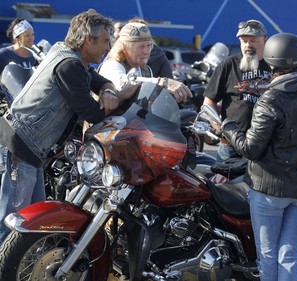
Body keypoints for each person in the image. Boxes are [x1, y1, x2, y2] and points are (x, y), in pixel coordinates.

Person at [0, 9, 139, 244]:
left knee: (35, 221)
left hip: (30, 148)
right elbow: (91, 113)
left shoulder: (72, 57)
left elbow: (100, 81)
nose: (108, 47)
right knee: (14, 225)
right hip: (20, 147)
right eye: (105, 41)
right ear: (88, 40)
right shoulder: (69, 65)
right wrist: (121, 96)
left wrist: (107, 91)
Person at [220, 33, 297, 280]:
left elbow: (251, 148)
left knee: (268, 257)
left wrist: (228, 127)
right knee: (290, 255)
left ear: (270, 62)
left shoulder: (271, 98)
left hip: (270, 189)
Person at [202, 19, 271, 162]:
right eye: (244, 40)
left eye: (253, 40)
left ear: (265, 40)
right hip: (231, 145)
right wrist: (219, 130)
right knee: (223, 183)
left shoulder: (275, 66)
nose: (248, 45)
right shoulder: (228, 65)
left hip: (266, 145)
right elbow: (209, 101)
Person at [98, 21, 191, 103]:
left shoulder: (145, 70)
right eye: (141, 47)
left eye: (149, 46)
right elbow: (123, 82)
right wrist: (164, 82)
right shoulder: (111, 65)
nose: (147, 51)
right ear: (124, 48)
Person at [0, 19, 36, 184]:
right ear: (17, 37)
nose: (31, 38)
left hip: (28, 113)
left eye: (32, 35)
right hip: (8, 110)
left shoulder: (34, 56)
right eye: (27, 35)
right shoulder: (4, 55)